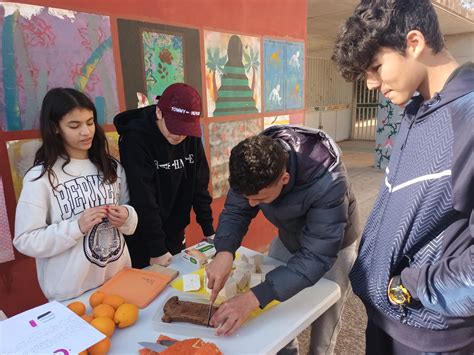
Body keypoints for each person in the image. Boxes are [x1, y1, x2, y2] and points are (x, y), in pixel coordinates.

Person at [332, 1, 474, 354]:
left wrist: (408, 287)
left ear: (414, 43)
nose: (371, 84)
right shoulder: (416, 109)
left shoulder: (467, 117)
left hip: (429, 336)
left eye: (377, 67)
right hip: (385, 321)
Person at [206, 125, 360, 355]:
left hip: (334, 244)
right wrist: (224, 251)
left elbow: (317, 256)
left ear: (284, 178)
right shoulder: (252, 163)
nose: (251, 204)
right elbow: (236, 211)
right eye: (247, 197)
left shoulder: (328, 179)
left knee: (325, 313)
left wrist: (252, 298)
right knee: (277, 307)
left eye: (260, 198)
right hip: (288, 236)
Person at [14, 88, 138, 302]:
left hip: (119, 281)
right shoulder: (41, 177)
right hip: (72, 296)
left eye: (90, 122)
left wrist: (126, 216)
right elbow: (25, 240)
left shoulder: (112, 167)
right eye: (74, 125)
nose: (86, 132)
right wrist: (76, 227)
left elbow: (131, 217)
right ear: (55, 128)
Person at [114, 83, 215, 269]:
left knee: (178, 281)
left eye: (185, 131)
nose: (179, 136)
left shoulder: (189, 134)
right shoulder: (135, 139)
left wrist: (209, 230)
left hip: (175, 227)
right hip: (144, 233)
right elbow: (143, 196)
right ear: (159, 113)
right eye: (174, 127)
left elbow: (199, 184)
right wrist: (157, 249)